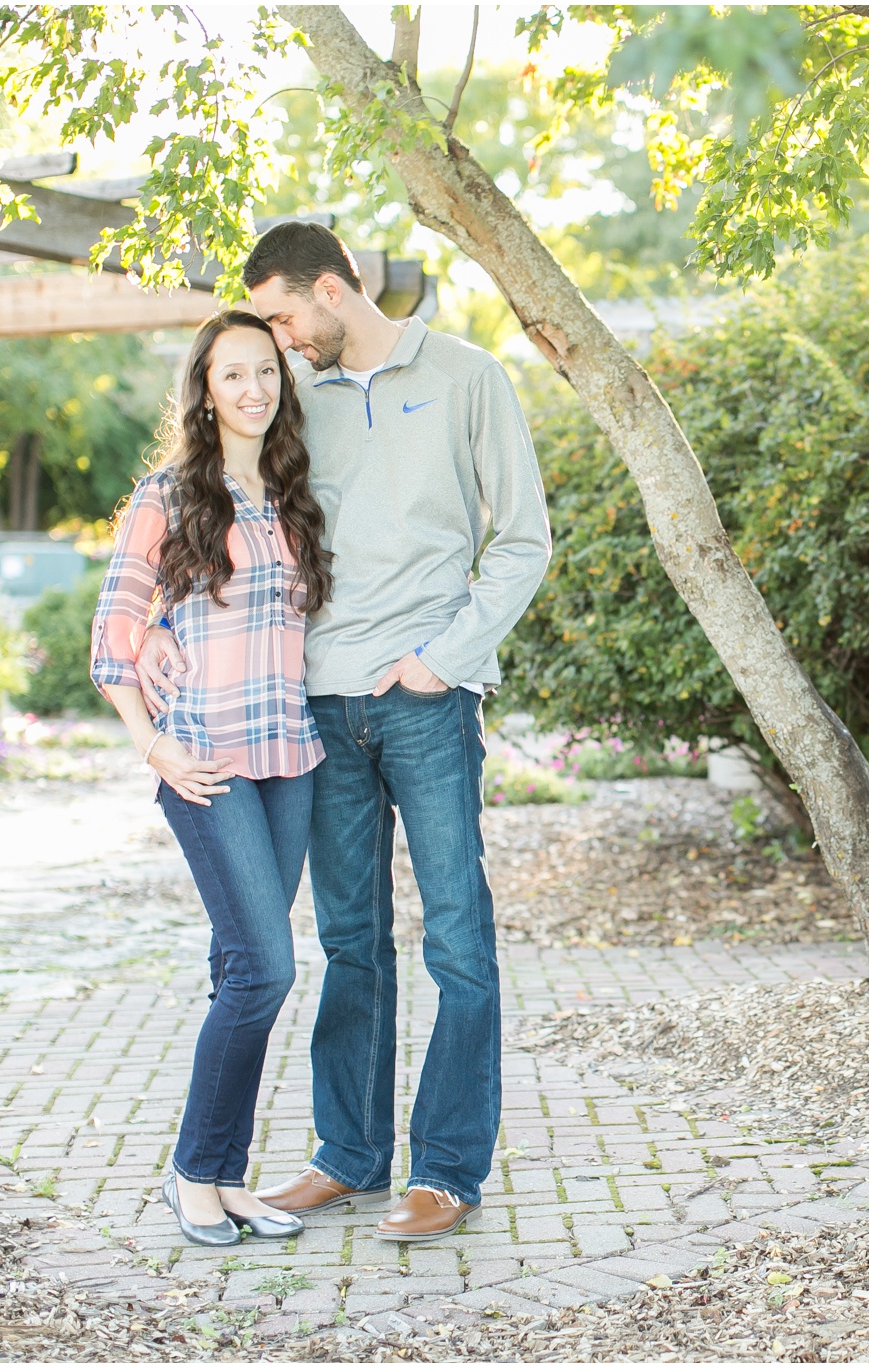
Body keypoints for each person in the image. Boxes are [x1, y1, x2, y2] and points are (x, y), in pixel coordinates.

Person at [138, 222, 552, 1242]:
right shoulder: (293, 405)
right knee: (347, 943)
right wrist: (150, 627)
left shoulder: (466, 377)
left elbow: (523, 539)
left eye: (281, 316)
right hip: (313, 710)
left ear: (332, 290)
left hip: (426, 699)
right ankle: (349, 1155)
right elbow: (210, 516)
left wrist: (442, 657)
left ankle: (447, 1169)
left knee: (457, 936)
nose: (273, 344)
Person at [90, 309, 335, 1246]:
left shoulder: (292, 494)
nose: (253, 390)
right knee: (267, 971)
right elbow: (113, 636)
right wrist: (152, 744)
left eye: (267, 372)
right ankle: (193, 1170)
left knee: (241, 967)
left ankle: (228, 1179)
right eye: (233, 374)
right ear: (203, 389)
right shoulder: (167, 495)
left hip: (290, 761)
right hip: (207, 764)